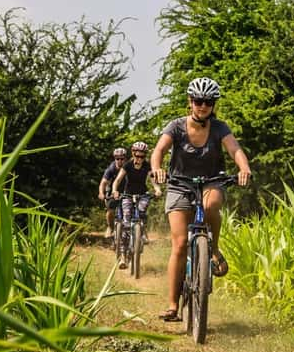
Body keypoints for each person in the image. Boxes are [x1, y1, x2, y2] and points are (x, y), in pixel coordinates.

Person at [150, 77, 252, 322]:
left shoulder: (219, 128)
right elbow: (159, 150)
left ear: (213, 104)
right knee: (179, 244)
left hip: (211, 181)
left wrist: (244, 168)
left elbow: (234, 149)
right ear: (190, 101)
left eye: (208, 101)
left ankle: (213, 249)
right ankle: (173, 305)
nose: (203, 106)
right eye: (198, 101)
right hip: (179, 184)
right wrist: (157, 168)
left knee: (211, 205)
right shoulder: (175, 126)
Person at [111, 140, 162, 263]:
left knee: (142, 211)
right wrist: (115, 191)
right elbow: (117, 181)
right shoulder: (127, 165)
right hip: (127, 194)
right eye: (137, 155)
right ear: (133, 153)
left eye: (142, 156)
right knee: (126, 222)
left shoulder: (147, 165)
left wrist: (157, 189)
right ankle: (123, 255)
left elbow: (152, 180)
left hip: (142, 194)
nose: (139, 158)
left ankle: (142, 232)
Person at [96, 147, 127, 238]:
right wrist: (101, 193)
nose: (120, 161)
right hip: (112, 192)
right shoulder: (111, 169)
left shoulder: (129, 167)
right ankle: (110, 227)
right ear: (115, 159)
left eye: (122, 158)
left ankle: (139, 232)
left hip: (127, 190)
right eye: (117, 158)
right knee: (110, 210)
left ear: (125, 159)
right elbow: (103, 183)